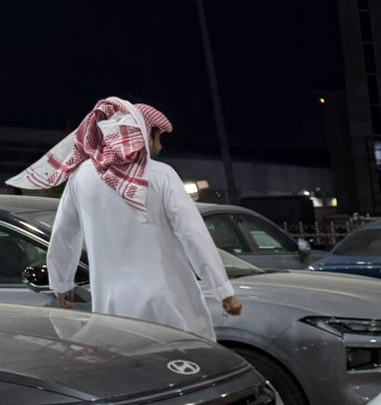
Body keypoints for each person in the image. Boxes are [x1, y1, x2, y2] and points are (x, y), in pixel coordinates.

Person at [8, 97, 240, 339]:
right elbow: (193, 234)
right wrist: (223, 291)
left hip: (112, 305)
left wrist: (61, 284)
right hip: (169, 303)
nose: (160, 147)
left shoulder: (81, 178)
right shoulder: (161, 175)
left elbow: (64, 235)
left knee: (126, 360)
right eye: (157, 138)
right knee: (182, 358)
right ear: (143, 135)